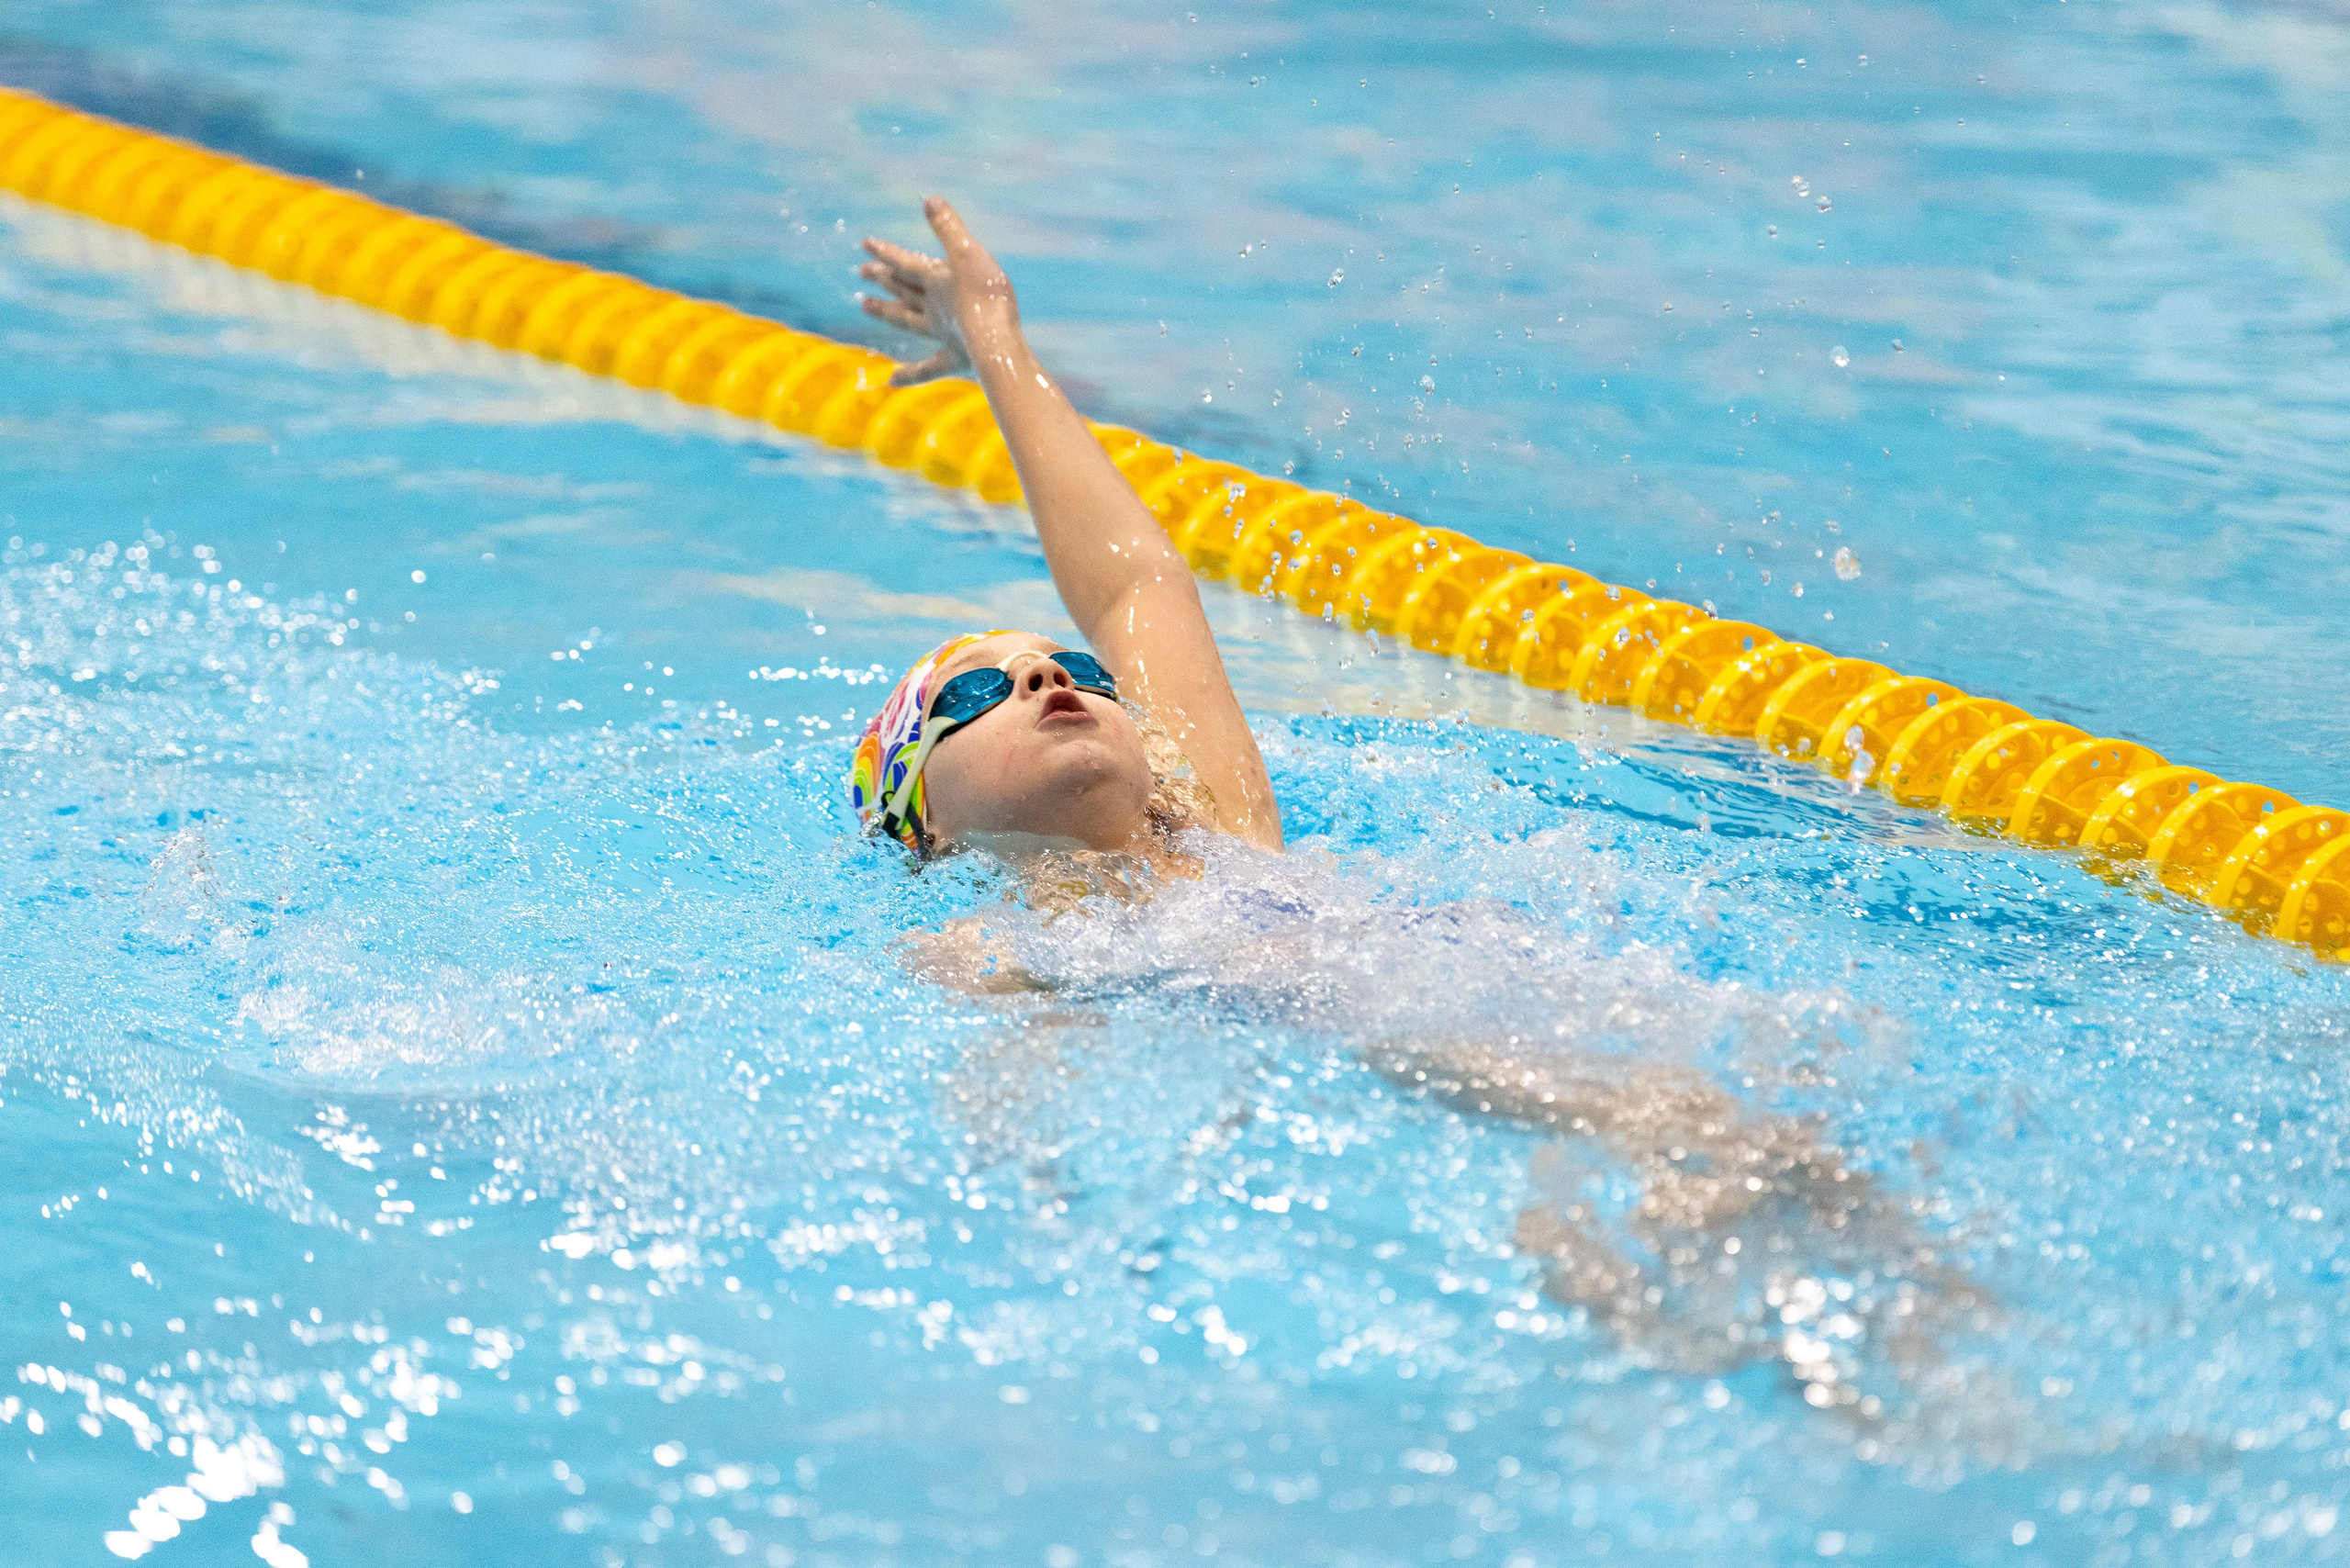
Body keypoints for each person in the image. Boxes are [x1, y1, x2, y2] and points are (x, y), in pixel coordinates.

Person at [846, 197, 1283, 862]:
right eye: (972, 690)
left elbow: (1133, 586)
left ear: (1156, 763)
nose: (1047, 674)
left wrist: (992, 336)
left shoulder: (1227, 836)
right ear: (924, 820)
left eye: (1082, 670)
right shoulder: (970, 956)